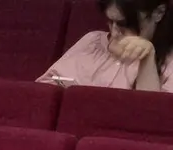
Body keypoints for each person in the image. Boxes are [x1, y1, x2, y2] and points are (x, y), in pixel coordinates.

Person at [38, 0, 173, 91]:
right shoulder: (92, 42)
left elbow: (154, 119)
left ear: (158, 13)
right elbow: (44, 92)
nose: (114, 32)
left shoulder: (169, 61)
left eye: (124, 24)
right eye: (110, 21)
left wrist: (147, 59)